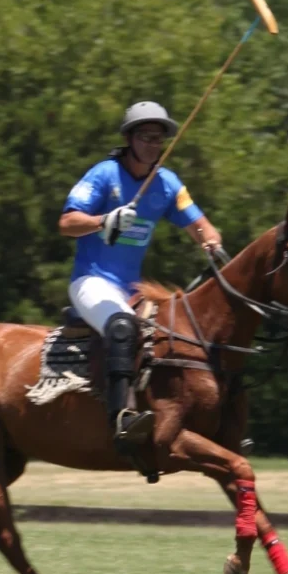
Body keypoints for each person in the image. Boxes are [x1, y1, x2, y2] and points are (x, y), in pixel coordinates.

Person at [59, 101, 223, 448]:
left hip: (132, 289)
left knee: (183, 334)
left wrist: (209, 240)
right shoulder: (104, 174)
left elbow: (198, 223)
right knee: (122, 326)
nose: (153, 144)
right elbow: (67, 223)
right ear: (130, 138)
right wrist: (105, 220)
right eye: (146, 137)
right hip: (91, 280)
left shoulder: (166, 184)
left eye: (158, 139)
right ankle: (121, 420)